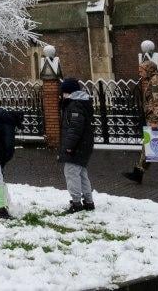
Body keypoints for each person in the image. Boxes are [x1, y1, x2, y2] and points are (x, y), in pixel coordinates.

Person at [57, 78, 95, 214]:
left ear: (68, 92)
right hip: (84, 145)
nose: (61, 95)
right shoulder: (80, 103)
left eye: (63, 92)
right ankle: (89, 201)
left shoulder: (74, 106)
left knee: (71, 173)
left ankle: (77, 203)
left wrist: (69, 146)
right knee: (81, 173)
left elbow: (74, 129)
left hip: (77, 146)